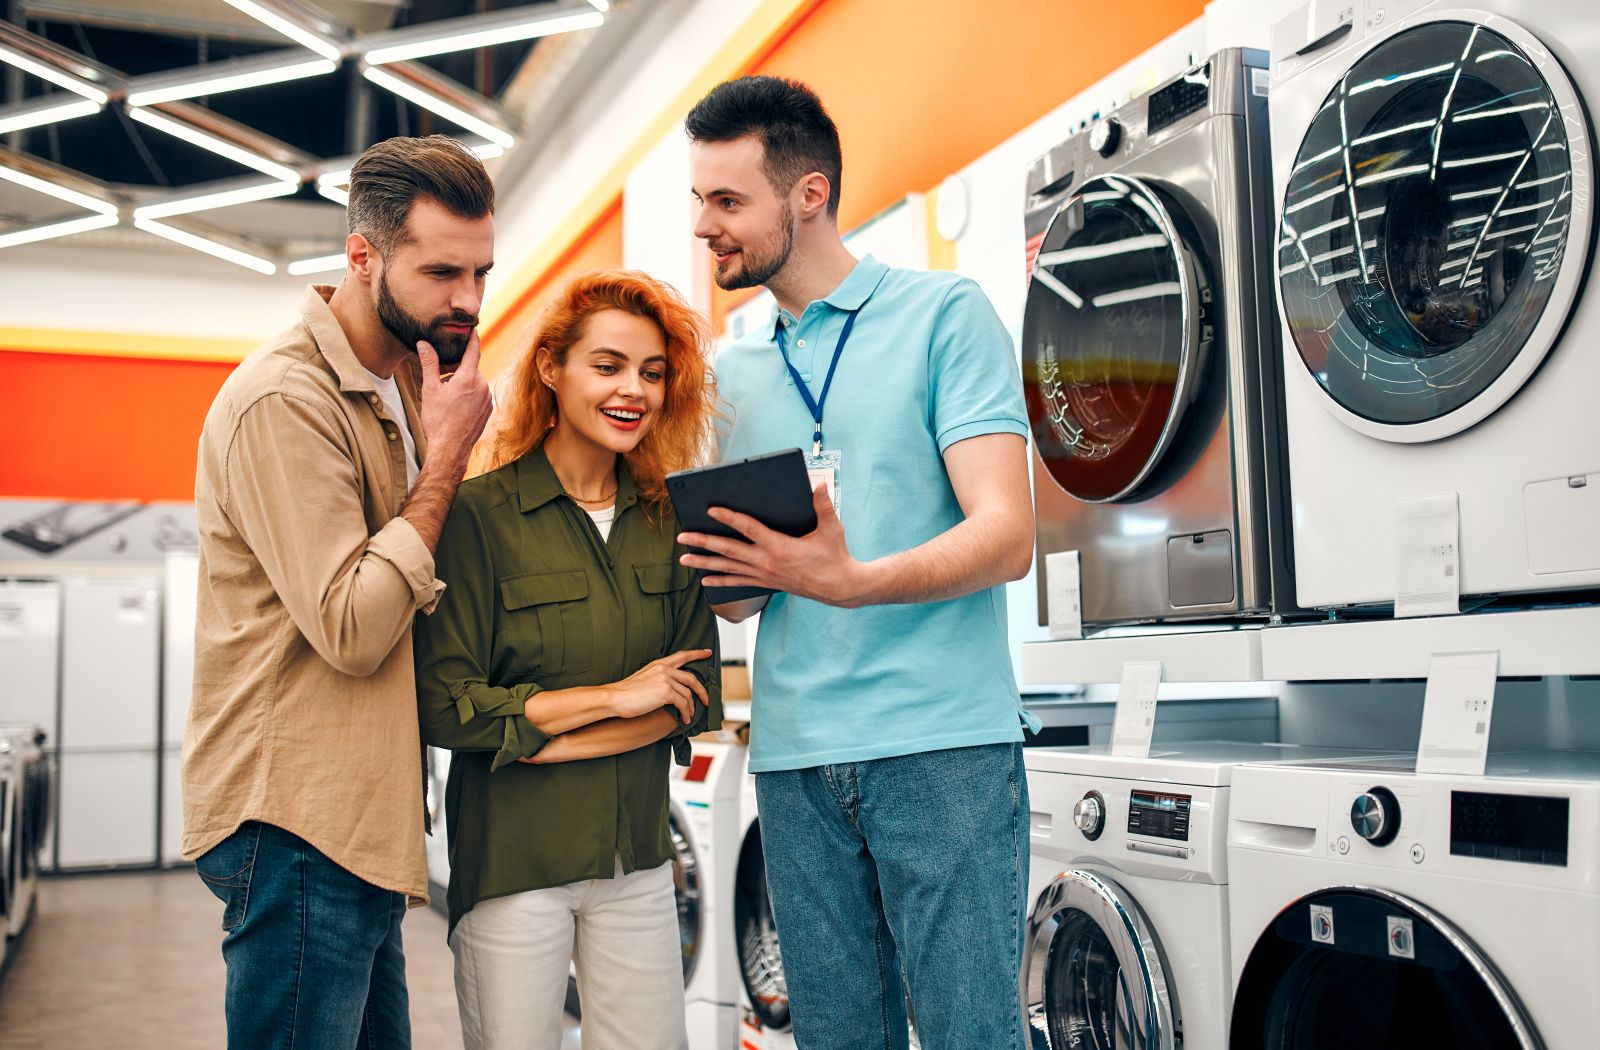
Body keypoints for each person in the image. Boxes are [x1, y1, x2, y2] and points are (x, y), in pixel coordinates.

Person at [683, 77, 1037, 1049]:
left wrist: (856, 579)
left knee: (971, 1034)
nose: (706, 227)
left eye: (727, 201)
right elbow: (740, 596)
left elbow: (1007, 534)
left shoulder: (942, 316)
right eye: (698, 201)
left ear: (807, 194)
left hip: (939, 748)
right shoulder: (728, 371)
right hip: (795, 755)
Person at [183, 134, 495, 1049]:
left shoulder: (402, 380)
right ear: (363, 258)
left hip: (353, 821)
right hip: (297, 824)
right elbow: (355, 628)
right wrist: (447, 458)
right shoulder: (287, 399)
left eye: (481, 271)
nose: (469, 301)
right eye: (443, 272)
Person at [413, 269, 722, 1050]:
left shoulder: (668, 519)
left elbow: (694, 695)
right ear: (552, 369)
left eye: (653, 373)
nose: (634, 391)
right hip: (515, 865)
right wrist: (617, 699)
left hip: (639, 863)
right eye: (609, 365)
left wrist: (535, 739)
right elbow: (446, 704)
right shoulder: (478, 515)